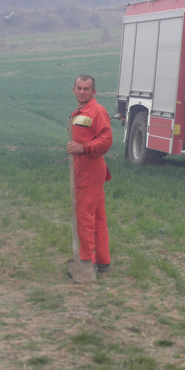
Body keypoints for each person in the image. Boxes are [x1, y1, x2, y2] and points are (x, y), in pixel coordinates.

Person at [66, 74, 113, 281]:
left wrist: (82, 148)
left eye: (86, 89)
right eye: (79, 88)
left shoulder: (97, 111)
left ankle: (86, 264)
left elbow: (106, 140)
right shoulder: (79, 111)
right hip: (83, 167)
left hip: (90, 168)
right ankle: (103, 262)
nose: (82, 91)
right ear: (74, 90)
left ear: (94, 92)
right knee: (98, 216)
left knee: (84, 215)